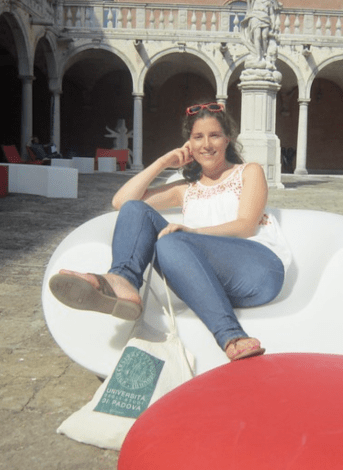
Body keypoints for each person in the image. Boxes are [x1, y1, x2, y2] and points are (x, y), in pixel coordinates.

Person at [49, 102, 292, 362]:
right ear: (189, 143)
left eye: (215, 135)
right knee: (139, 213)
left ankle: (231, 334)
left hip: (259, 271)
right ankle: (123, 281)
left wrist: (192, 232)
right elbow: (122, 202)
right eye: (198, 137)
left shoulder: (248, 172)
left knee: (171, 241)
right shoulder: (184, 189)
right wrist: (164, 162)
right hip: (205, 282)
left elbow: (245, 226)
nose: (206, 144)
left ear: (227, 139)